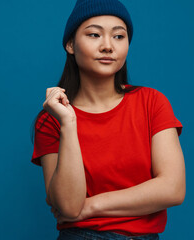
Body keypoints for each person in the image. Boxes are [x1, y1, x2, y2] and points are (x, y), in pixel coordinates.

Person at [30, 0, 186, 239]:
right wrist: (69, 124)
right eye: (94, 34)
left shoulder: (152, 102)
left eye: (118, 36)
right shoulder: (52, 119)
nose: (107, 46)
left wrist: (90, 206)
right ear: (70, 44)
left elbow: (173, 189)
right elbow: (69, 206)